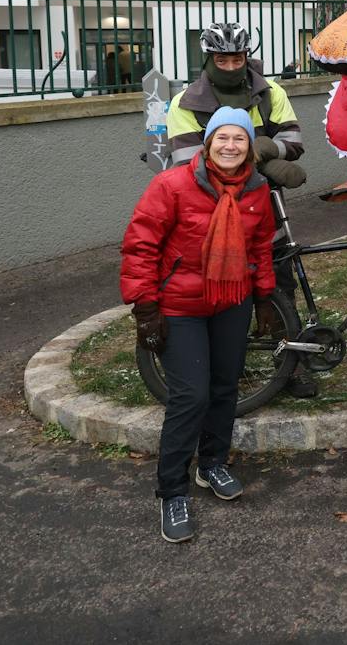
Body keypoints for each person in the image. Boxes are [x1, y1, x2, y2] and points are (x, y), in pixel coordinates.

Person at [120, 106, 277, 543]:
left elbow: (261, 245)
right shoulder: (172, 185)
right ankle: (173, 490)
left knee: (226, 387)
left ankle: (211, 464)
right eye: (222, 138)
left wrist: (264, 297)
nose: (230, 146)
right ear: (208, 143)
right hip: (180, 305)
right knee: (191, 396)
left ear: (249, 146)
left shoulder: (257, 190)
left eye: (239, 139)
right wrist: (145, 308)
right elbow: (140, 245)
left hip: (231, 300)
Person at [166, 22, 311, 394]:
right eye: (222, 59)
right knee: (224, 286)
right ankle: (227, 369)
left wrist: (267, 150)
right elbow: (187, 162)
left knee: (279, 281)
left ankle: (291, 365)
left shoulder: (269, 91)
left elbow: (293, 138)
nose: (231, 65)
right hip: (211, 212)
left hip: (265, 207)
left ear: (246, 57)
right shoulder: (186, 102)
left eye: (237, 58)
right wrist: (255, 160)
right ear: (210, 59)